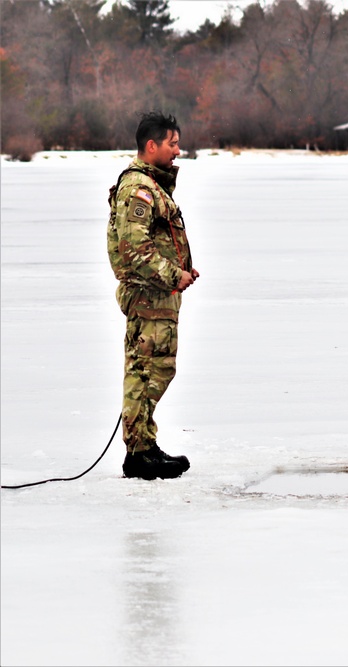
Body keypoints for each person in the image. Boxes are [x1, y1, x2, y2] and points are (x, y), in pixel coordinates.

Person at [107, 111, 199, 480]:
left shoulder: (153, 186)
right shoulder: (138, 189)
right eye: (172, 144)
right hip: (148, 297)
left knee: (158, 370)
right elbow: (134, 249)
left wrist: (182, 272)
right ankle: (138, 454)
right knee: (144, 372)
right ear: (152, 146)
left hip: (159, 297)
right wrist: (172, 275)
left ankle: (145, 445)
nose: (178, 150)